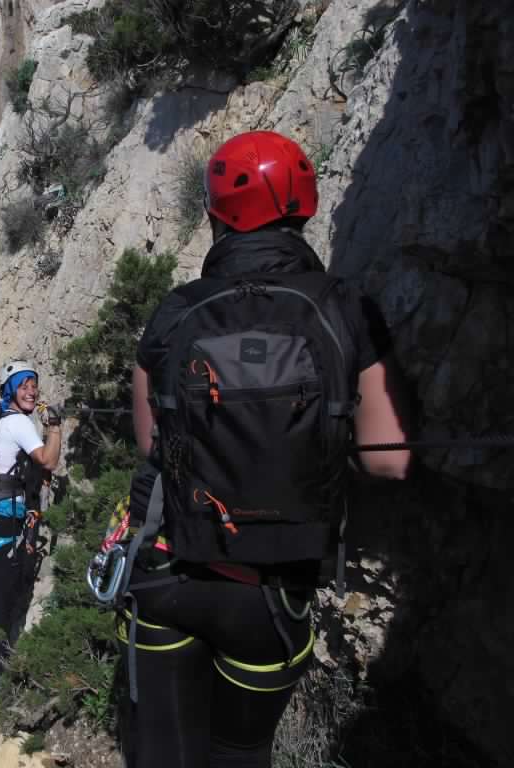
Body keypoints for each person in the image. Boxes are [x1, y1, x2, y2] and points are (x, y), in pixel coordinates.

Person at [119, 131, 412, 768]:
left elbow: (149, 442)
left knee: (161, 752)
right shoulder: (345, 310)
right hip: (271, 592)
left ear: (215, 213)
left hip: (170, 569)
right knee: (240, 750)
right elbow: (389, 459)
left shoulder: (175, 312)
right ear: (305, 205)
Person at [0, 360, 62, 680]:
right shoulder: (18, 423)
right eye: (24, 386)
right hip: (4, 516)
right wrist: (55, 428)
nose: (31, 391)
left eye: (34, 385)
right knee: (1, 593)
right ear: (11, 391)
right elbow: (46, 459)